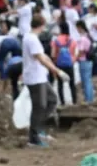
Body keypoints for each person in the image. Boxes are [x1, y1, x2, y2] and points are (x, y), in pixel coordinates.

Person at [23, 15, 69, 147]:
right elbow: (40, 58)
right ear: (42, 25)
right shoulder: (31, 39)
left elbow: (44, 56)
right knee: (39, 106)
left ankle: (38, 129)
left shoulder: (31, 38)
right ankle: (33, 137)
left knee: (51, 100)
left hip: (40, 76)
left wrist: (55, 68)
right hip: (35, 78)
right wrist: (57, 71)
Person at [51, 21, 79, 105]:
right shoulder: (72, 40)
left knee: (60, 84)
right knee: (72, 84)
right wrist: (72, 61)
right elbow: (75, 53)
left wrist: (55, 61)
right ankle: (74, 102)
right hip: (69, 64)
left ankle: (62, 102)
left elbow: (53, 54)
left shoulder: (56, 40)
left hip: (59, 65)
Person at [75, 20, 96, 103]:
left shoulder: (83, 38)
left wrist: (75, 58)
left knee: (86, 81)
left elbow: (81, 51)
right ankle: (90, 98)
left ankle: (88, 100)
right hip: (89, 60)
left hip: (84, 61)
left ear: (79, 27)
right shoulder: (88, 36)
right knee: (88, 80)